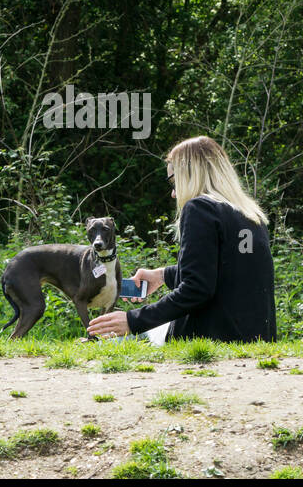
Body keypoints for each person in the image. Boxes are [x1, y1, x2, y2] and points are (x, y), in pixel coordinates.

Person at [87, 135, 276, 343]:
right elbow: (227, 271)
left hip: (213, 336)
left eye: (173, 181)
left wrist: (133, 320)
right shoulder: (251, 214)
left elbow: (197, 289)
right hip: (255, 337)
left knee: (102, 342)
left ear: (189, 174)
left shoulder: (200, 208)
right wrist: (162, 275)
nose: (174, 194)